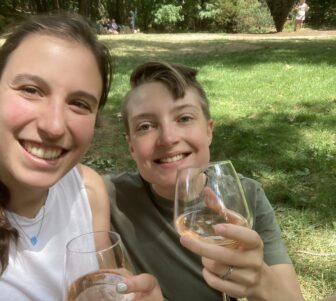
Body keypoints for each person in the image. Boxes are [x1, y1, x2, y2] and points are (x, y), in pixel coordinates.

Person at [0, 14, 163, 301]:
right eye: (31, 90)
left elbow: (106, 288)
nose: (54, 126)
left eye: (79, 103)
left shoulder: (88, 191)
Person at [104, 61, 305, 301]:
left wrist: (260, 283)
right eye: (146, 126)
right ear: (131, 146)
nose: (168, 138)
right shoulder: (107, 197)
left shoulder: (245, 196)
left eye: (185, 118)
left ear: (209, 131)